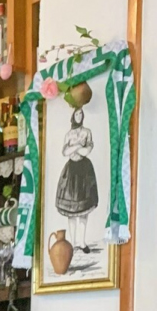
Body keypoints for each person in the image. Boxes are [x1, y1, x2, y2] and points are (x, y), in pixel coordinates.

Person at [55, 105, 99, 255]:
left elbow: (86, 151)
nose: (79, 116)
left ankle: (82, 242)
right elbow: (65, 152)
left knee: (84, 210)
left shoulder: (87, 132)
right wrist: (79, 145)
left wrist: (75, 147)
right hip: (71, 170)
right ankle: (73, 243)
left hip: (84, 170)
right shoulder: (68, 134)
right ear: (73, 116)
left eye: (81, 114)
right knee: (71, 211)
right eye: (76, 114)